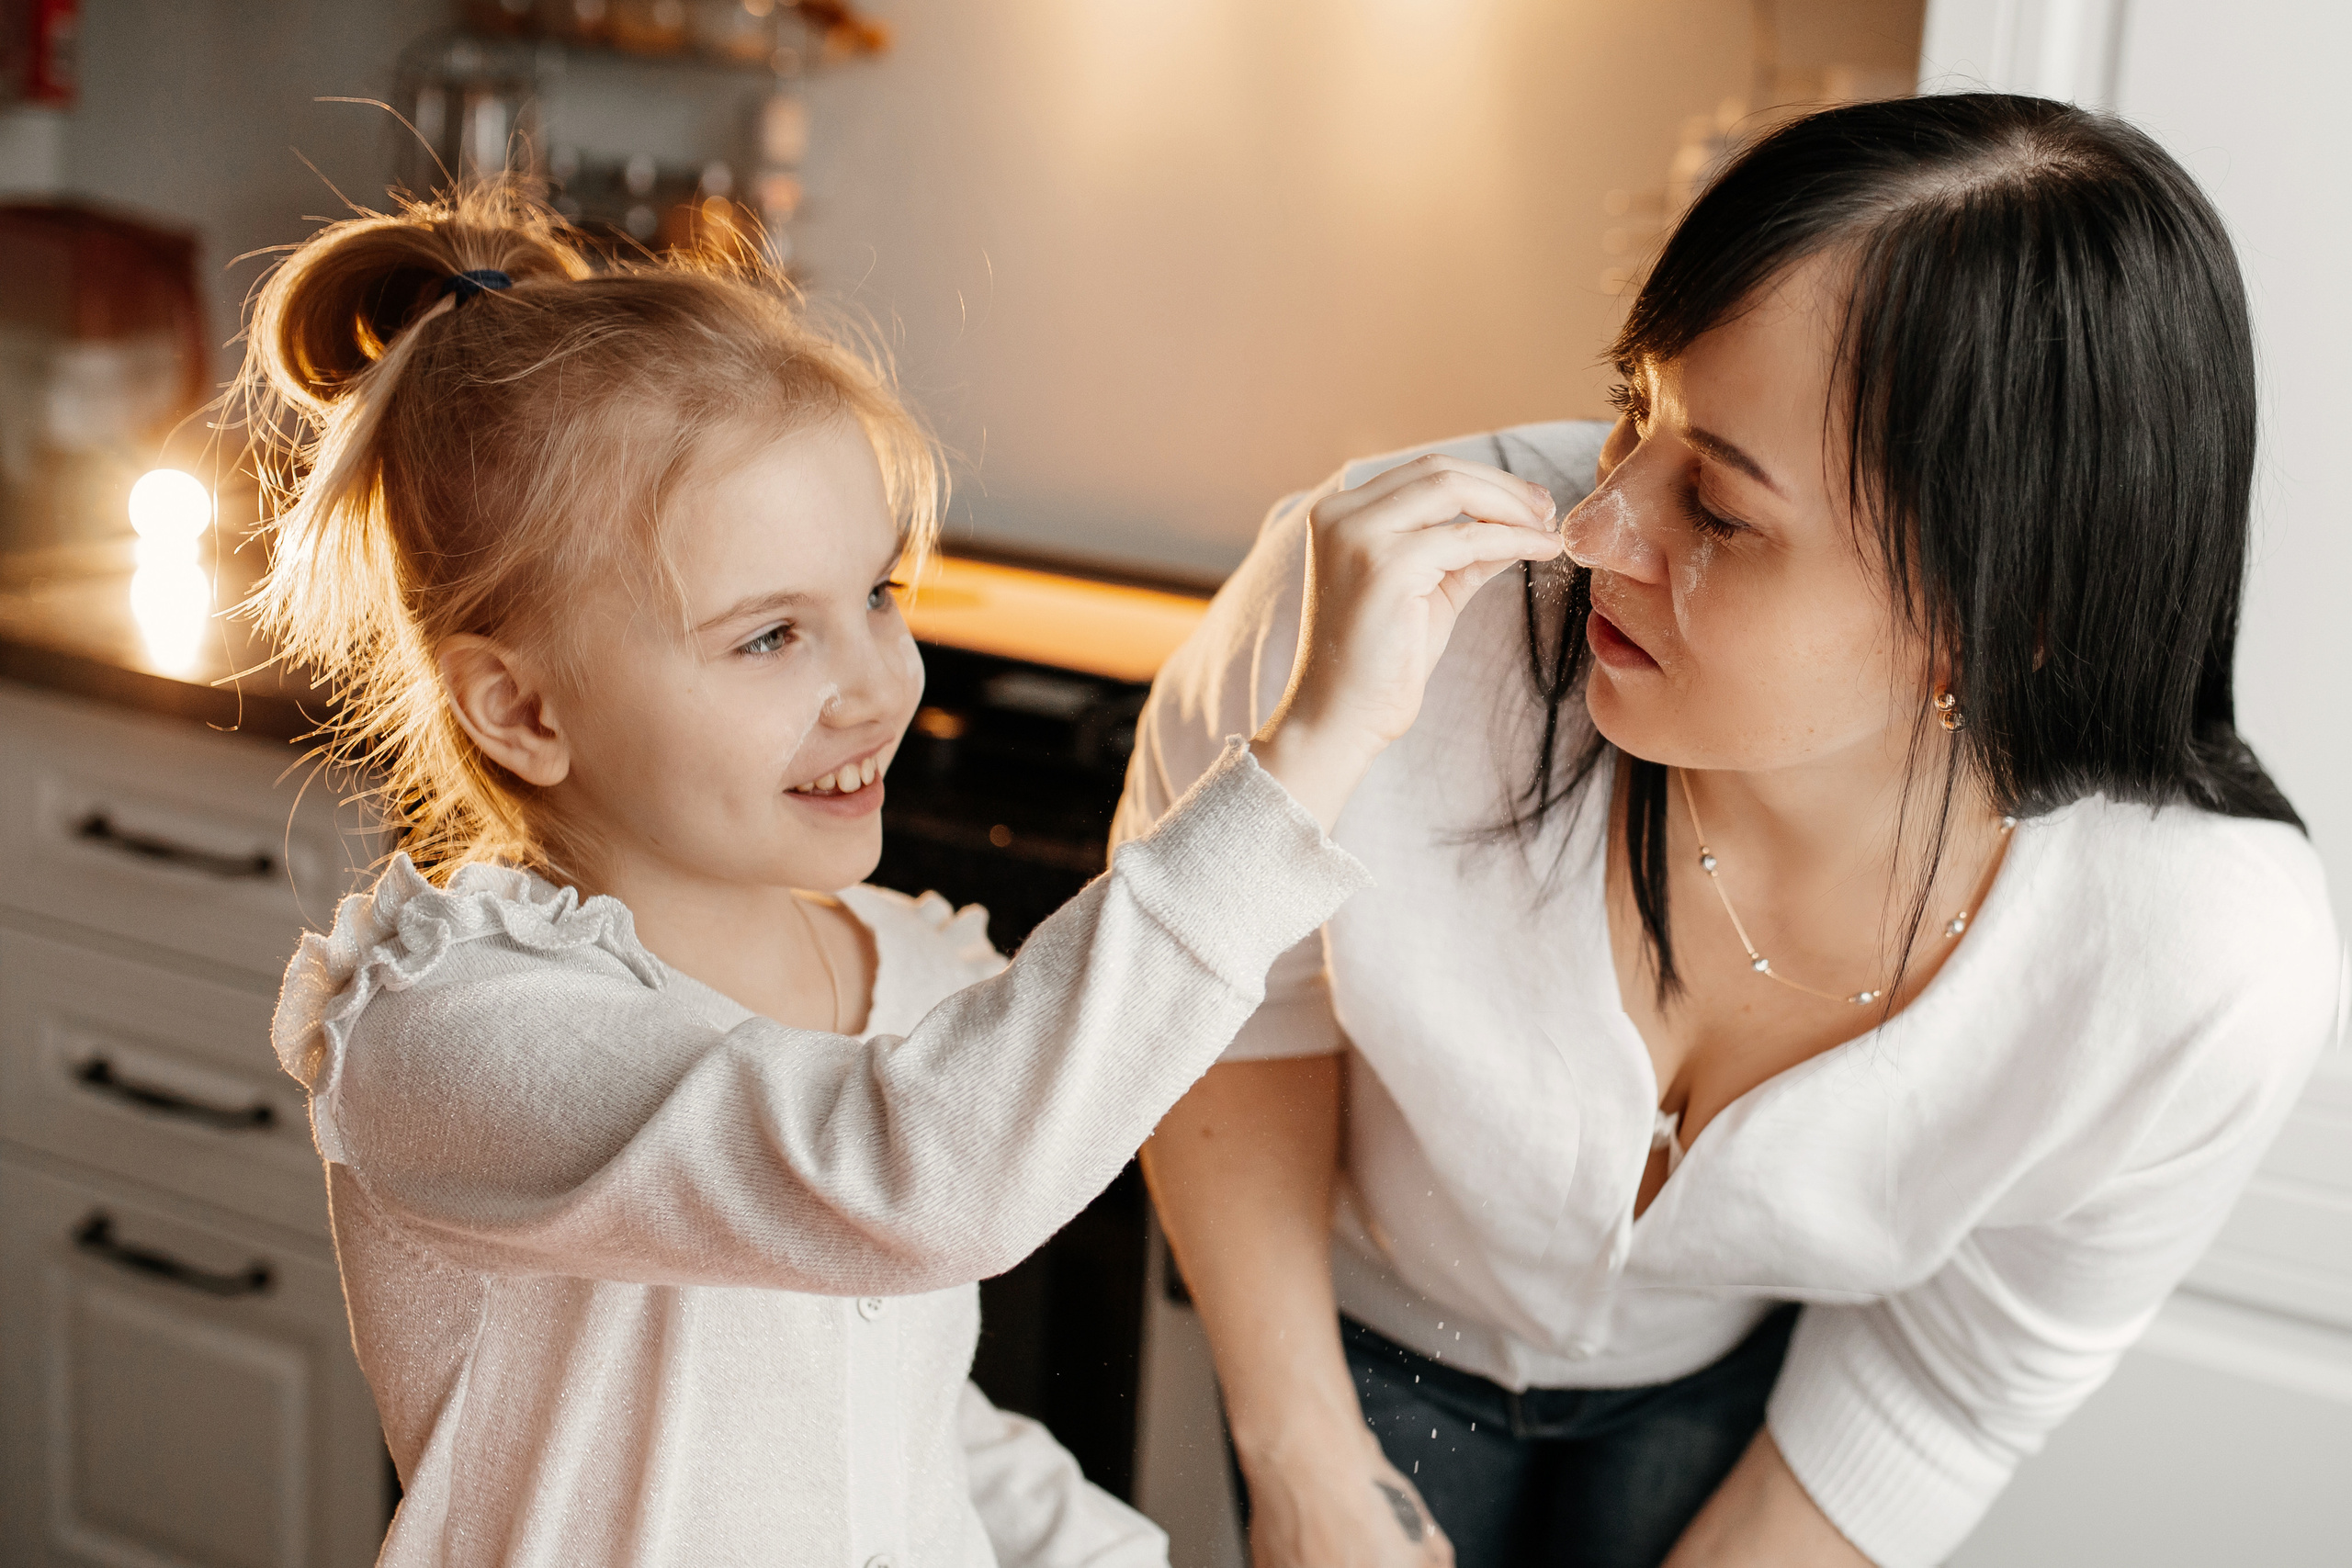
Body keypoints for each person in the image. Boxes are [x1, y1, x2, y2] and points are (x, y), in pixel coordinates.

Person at [248, 187, 1565, 1567]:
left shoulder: (914, 976)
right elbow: (921, 1176)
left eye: (878, 594)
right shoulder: (455, 1033)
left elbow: (899, 1426)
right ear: (521, 711)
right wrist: (1308, 752)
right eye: (769, 639)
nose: (881, 685)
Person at [1123, 94, 2345, 1568]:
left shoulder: (2203, 960)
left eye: (1716, 504)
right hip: (1354, 1327)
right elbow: (1229, 1010)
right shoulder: (1383, 610)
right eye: (1635, 411)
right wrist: (1306, 1461)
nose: (1593, 530)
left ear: (1999, 620)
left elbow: (1952, 1383)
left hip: (1731, 1406)